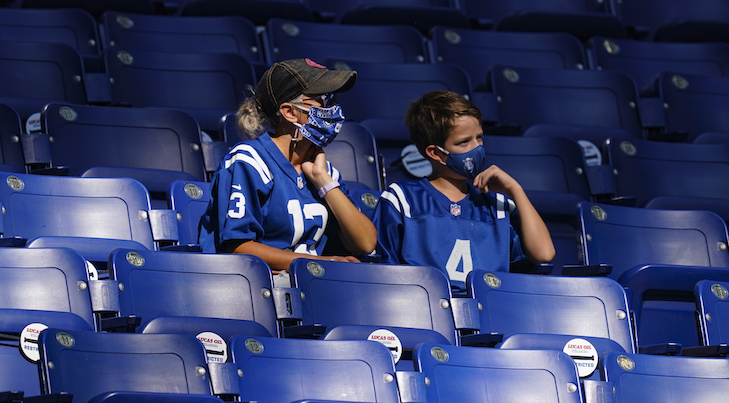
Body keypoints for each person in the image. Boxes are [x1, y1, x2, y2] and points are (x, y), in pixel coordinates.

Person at [199, 58, 377, 278]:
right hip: (260, 289)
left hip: (315, 287)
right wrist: (319, 263)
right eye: (323, 100)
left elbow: (365, 243)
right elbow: (237, 246)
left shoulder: (324, 171)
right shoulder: (248, 161)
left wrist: (325, 184)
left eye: (333, 99)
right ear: (290, 112)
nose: (333, 109)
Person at [375, 90, 555, 291]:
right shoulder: (401, 199)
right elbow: (384, 273)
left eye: (479, 138)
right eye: (463, 142)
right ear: (435, 153)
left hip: (490, 314)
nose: (477, 148)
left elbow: (544, 254)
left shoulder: (498, 206)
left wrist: (515, 190)